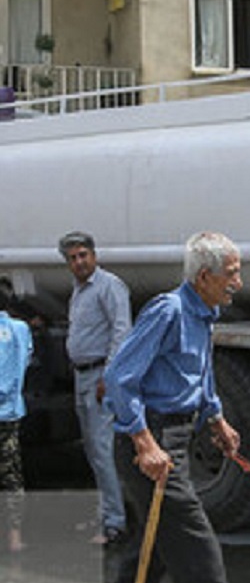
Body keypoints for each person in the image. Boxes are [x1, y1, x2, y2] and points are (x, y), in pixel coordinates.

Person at [76, 232, 250, 583]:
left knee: (153, 552)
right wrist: (144, 443)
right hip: (149, 443)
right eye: (231, 272)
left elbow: (199, 372)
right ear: (204, 276)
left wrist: (216, 417)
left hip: (176, 434)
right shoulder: (169, 310)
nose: (237, 281)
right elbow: (118, 377)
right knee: (202, 560)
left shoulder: (204, 313)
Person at [58, 231, 132, 547]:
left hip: (100, 375)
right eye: (72, 258)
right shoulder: (79, 291)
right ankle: (106, 513)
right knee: (92, 450)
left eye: (83, 255)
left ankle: (116, 523)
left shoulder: (108, 286)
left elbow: (121, 331)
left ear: (94, 255)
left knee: (103, 450)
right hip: (82, 376)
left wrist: (109, 376)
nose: (78, 262)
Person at [0, 281, 33, 553]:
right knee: (11, 473)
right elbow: (27, 360)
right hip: (11, 411)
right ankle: (14, 535)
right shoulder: (21, 329)